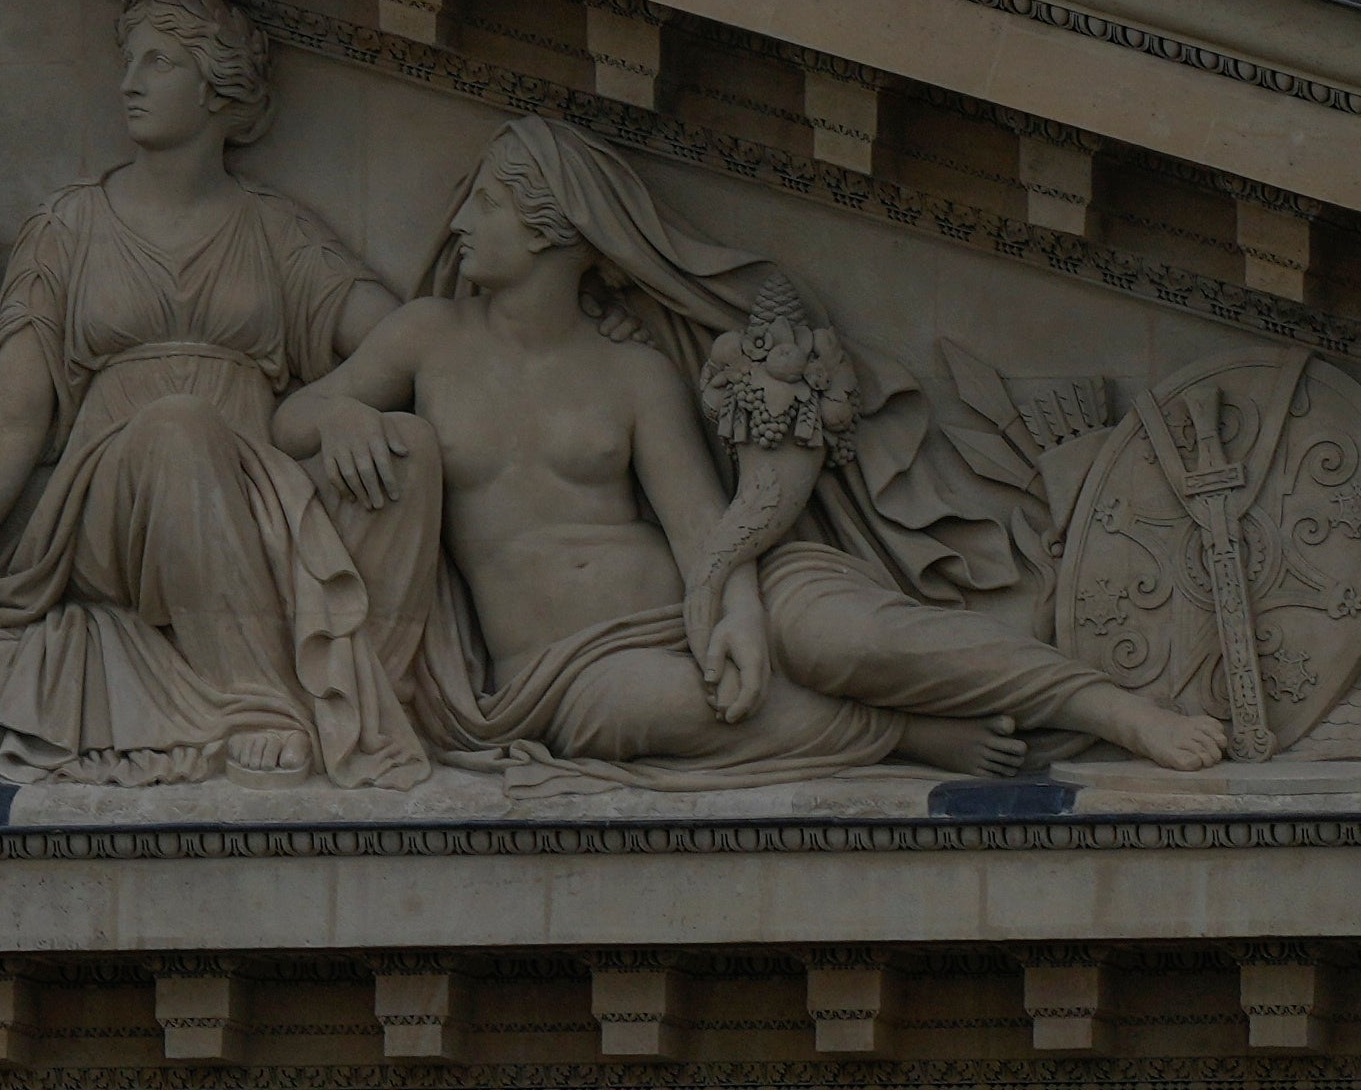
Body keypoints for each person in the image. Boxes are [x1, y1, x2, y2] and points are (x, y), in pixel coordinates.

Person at [284, 111, 1220, 777]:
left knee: (835, 628)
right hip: (564, 668)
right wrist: (345, 416)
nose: (455, 223)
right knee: (634, 712)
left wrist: (733, 611)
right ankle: (896, 734)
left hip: (691, 600)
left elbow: (700, 528)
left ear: (551, 225)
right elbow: (292, 418)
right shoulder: (425, 338)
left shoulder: (634, 372)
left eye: (482, 203)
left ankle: (1105, 707)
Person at [0, 0, 403, 783]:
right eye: (127, 60)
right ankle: (251, 697)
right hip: (106, 508)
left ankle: (380, 705)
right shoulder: (69, 226)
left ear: (218, 89)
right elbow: (9, 412)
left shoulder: (273, 231)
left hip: (256, 497)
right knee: (176, 427)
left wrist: (347, 402)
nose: (127, 81)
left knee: (411, 452)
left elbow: (408, 339)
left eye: (158, 62)